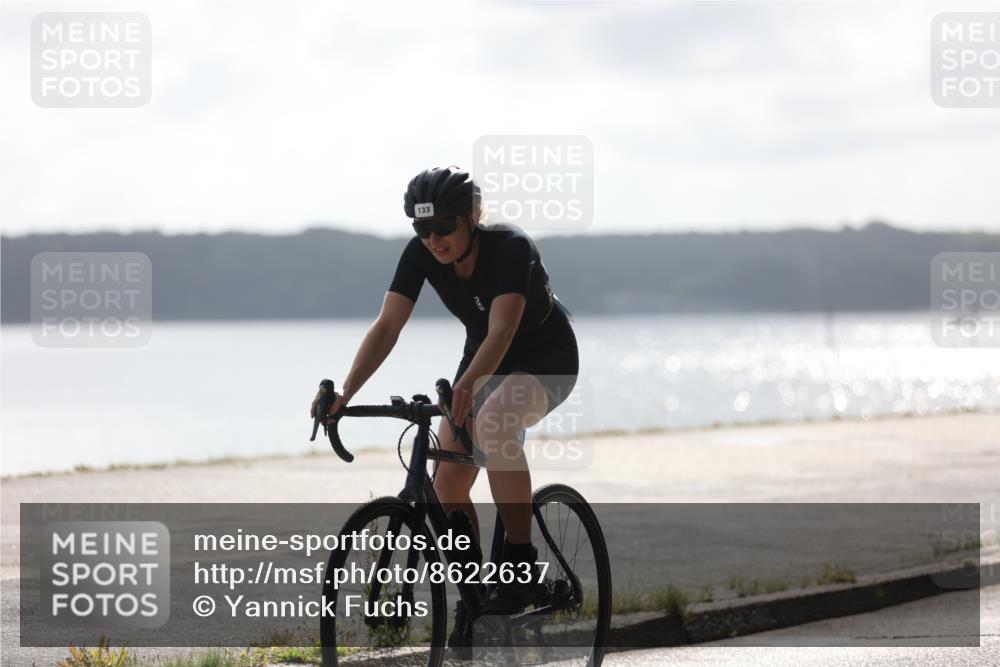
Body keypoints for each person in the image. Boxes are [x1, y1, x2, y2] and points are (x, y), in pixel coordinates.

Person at [310, 165, 578, 655]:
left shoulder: (510, 247)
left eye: (444, 226)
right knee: (449, 483)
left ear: (471, 217)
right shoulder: (420, 254)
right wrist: (345, 392)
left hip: (545, 358)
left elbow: (503, 332)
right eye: (422, 228)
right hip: (482, 359)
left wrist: (468, 386)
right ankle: (474, 602)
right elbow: (387, 326)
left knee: (495, 422)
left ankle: (521, 561)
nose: (433, 239)